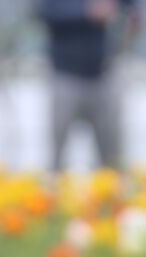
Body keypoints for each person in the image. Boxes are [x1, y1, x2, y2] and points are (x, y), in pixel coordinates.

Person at [39, 0, 139, 170]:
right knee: (57, 159)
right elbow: (43, 10)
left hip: (106, 73)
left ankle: (111, 193)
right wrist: (87, 11)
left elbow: (132, 6)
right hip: (65, 73)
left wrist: (134, 15)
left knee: (112, 160)